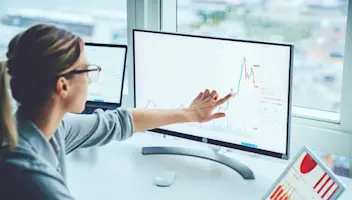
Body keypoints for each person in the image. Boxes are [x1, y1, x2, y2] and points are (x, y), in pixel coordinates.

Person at [0, 24, 232, 200]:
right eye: (86, 71)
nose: (91, 80)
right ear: (63, 86)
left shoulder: (46, 128)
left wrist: (189, 114)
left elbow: (118, 122)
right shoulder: (29, 174)